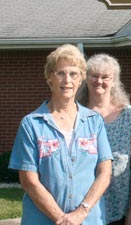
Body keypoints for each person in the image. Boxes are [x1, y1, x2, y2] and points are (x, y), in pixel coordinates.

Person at [9, 44, 113, 225]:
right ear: (50, 78)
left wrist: (81, 213)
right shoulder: (31, 124)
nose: (67, 80)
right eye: (60, 73)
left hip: (88, 220)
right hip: (42, 220)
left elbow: (105, 172)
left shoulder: (94, 122)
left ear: (81, 79)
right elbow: (29, 181)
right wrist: (62, 219)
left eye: (74, 74)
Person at [77, 53, 131, 225]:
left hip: (119, 209)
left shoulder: (128, 115)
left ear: (114, 81)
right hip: (82, 209)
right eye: (94, 75)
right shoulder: (76, 115)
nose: (99, 81)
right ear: (86, 79)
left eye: (105, 77)